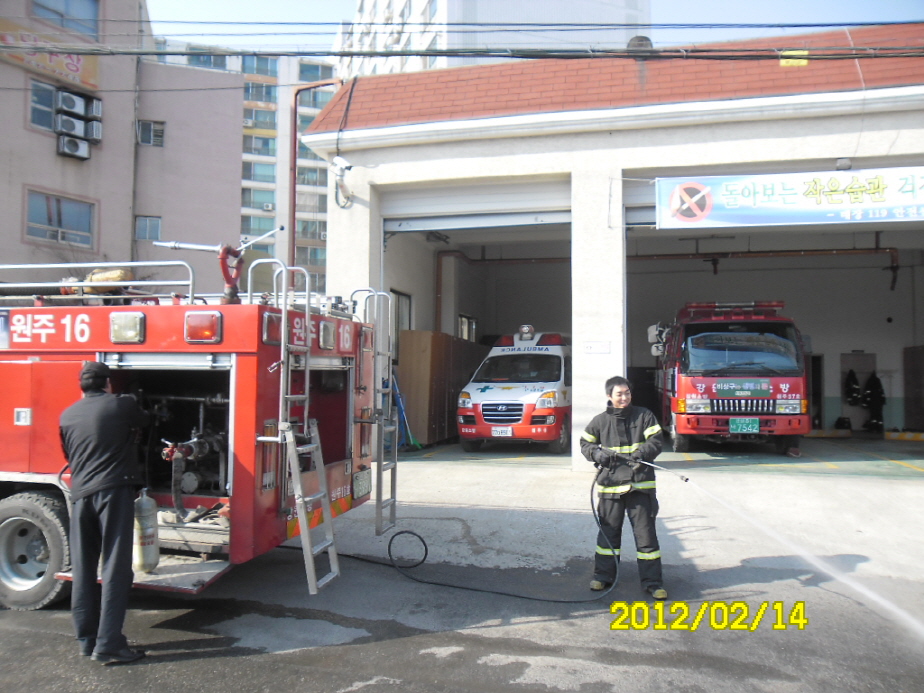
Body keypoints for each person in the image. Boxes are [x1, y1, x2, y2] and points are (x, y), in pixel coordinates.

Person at [59, 362, 149, 665]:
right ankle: (109, 644)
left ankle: (87, 640)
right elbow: (146, 420)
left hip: (80, 494)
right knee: (115, 566)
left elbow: (68, 454)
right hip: (112, 492)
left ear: (81, 386)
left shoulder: (67, 415)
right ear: (108, 383)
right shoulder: (122, 404)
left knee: (83, 567)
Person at [580, 376, 667, 600]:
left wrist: (641, 453)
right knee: (608, 535)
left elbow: (656, 440)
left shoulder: (644, 416)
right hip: (611, 488)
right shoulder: (600, 421)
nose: (624, 397)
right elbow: (585, 443)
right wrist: (596, 454)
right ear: (609, 396)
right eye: (619, 394)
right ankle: (603, 576)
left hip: (640, 486)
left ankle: (653, 583)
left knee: (646, 536)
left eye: (627, 393)